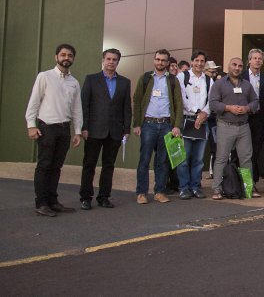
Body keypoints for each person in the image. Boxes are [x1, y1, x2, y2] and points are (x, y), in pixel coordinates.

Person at [25, 44, 83, 217]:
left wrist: (78, 131)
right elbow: (34, 102)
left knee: (56, 167)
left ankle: (53, 201)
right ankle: (41, 203)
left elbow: (76, 109)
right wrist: (31, 125)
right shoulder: (45, 77)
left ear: (73, 59)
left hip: (64, 129)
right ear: (56, 57)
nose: (66, 58)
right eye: (63, 54)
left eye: (70, 55)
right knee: (44, 165)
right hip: (46, 128)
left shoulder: (74, 82)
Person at [79, 48, 131, 210]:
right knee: (89, 164)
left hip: (115, 131)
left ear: (118, 62)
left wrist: (126, 129)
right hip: (94, 130)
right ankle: (85, 197)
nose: (111, 62)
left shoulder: (124, 82)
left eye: (114, 60)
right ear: (103, 60)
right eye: (108, 59)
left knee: (108, 166)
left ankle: (104, 197)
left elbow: (126, 108)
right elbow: (84, 105)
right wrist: (84, 127)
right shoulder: (91, 79)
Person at [132, 49, 183, 204]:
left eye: (163, 60)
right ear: (154, 60)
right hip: (148, 124)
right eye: (158, 59)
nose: (160, 62)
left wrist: (177, 125)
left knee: (162, 160)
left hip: (166, 125)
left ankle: (159, 191)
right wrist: (136, 124)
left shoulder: (173, 80)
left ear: (168, 63)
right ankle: (141, 192)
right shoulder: (146, 78)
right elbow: (137, 100)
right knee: (144, 159)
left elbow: (179, 104)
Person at [208, 57, 261, 199]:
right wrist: (228, 108)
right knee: (221, 158)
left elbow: (255, 101)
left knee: (246, 159)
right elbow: (213, 104)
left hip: (243, 127)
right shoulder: (219, 84)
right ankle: (217, 189)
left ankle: (248, 187)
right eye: (234, 65)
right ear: (229, 66)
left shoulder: (247, 85)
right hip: (225, 126)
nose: (237, 68)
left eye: (240, 66)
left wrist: (247, 108)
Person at [175, 50, 211, 200]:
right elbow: (181, 98)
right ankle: (184, 187)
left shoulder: (208, 80)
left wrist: (204, 114)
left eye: (202, 61)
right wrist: (197, 112)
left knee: (198, 159)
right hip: (186, 120)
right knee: (183, 158)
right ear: (191, 62)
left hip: (203, 122)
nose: (199, 63)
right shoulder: (182, 76)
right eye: (196, 60)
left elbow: (211, 99)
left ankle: (195, 186)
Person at [241, 49, 264, 183]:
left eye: (260, 58)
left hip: (259, 119)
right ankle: (242, 182)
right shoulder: (241, 76)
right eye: (255, 58)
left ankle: (251, 184)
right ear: (249, 60)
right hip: (243, 119)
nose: (257, 60)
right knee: (242, 152)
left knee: (255, 151)